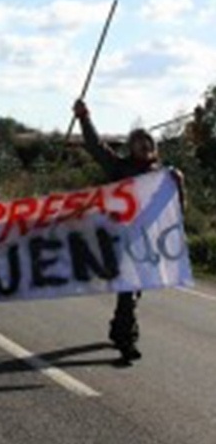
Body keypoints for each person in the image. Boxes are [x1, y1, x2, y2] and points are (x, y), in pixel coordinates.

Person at [73, 99, 185, 366]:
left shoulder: (163, 175)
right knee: (129, 291)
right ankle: (126, 342)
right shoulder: (119, 168)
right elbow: (95, 147)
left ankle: (119, 330)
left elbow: (174, 210)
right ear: (131, 146)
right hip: (119, 239)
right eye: (139, 140)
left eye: (149, 142)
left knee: (132, 293)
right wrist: (84, 117)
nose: (145, 144)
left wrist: (177, 182)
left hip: (145, 244)